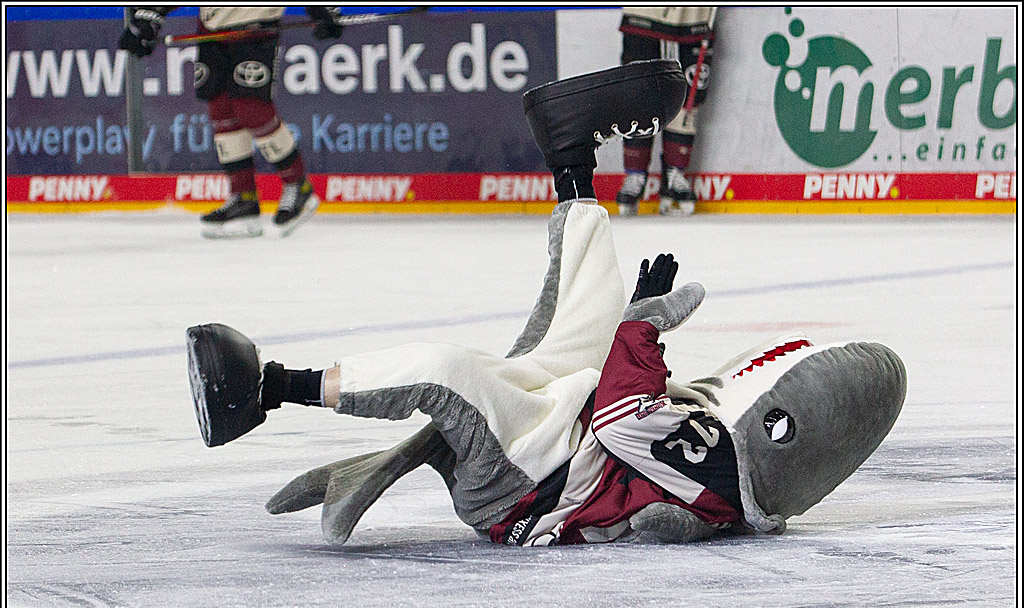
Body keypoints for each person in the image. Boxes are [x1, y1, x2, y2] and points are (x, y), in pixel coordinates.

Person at [186, 61, 907, 546]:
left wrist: (644, 326)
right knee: (585, 306)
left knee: (447, 371)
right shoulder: (729, 471)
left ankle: (267, 389)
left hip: (526, 483)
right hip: (566, 426)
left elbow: (628, 421)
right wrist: (632, 334)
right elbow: (636, 415)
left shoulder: (721, 469)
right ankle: (570, 157)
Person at [119, 6, 346, 238]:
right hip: (212, 27)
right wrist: (148, 16)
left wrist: (323, 9)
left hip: (255, 24)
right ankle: (244, 199)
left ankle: (299, 186)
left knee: (252, 108)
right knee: (221, 108)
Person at [615, 7, 717, 216]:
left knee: (689, 92)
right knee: (637, 92)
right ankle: (635, 173)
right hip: (644, 14)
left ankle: (675, 172)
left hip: (693, 15)